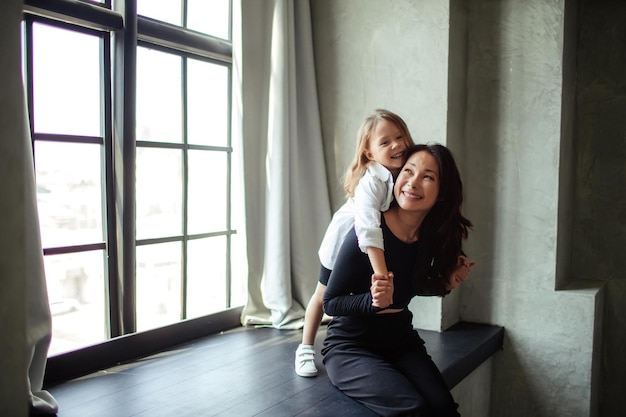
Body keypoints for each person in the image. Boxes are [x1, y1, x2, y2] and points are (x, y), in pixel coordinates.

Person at [321, 143, 475, 417]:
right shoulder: (368, 232)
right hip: (351, 347)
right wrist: (372, 301)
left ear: (442, 193)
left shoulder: (430, 238)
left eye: (428, 177)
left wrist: (446, 282)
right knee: (412, 409)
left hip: (400, 340)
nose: (413, 183)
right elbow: (331, 303)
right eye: (408, 171)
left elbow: (410, 287)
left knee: (444, 409)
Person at [295, 109, 415, 377]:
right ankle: (304, 348)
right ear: (370, 153)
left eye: (399, 136)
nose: (396, 145)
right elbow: (367, 226)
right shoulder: (372, 180)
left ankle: (367, 348)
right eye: (385, 142)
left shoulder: (405, 172)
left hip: (367, 247)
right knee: (322, 294)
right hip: (345, 241)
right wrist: (381, 273)